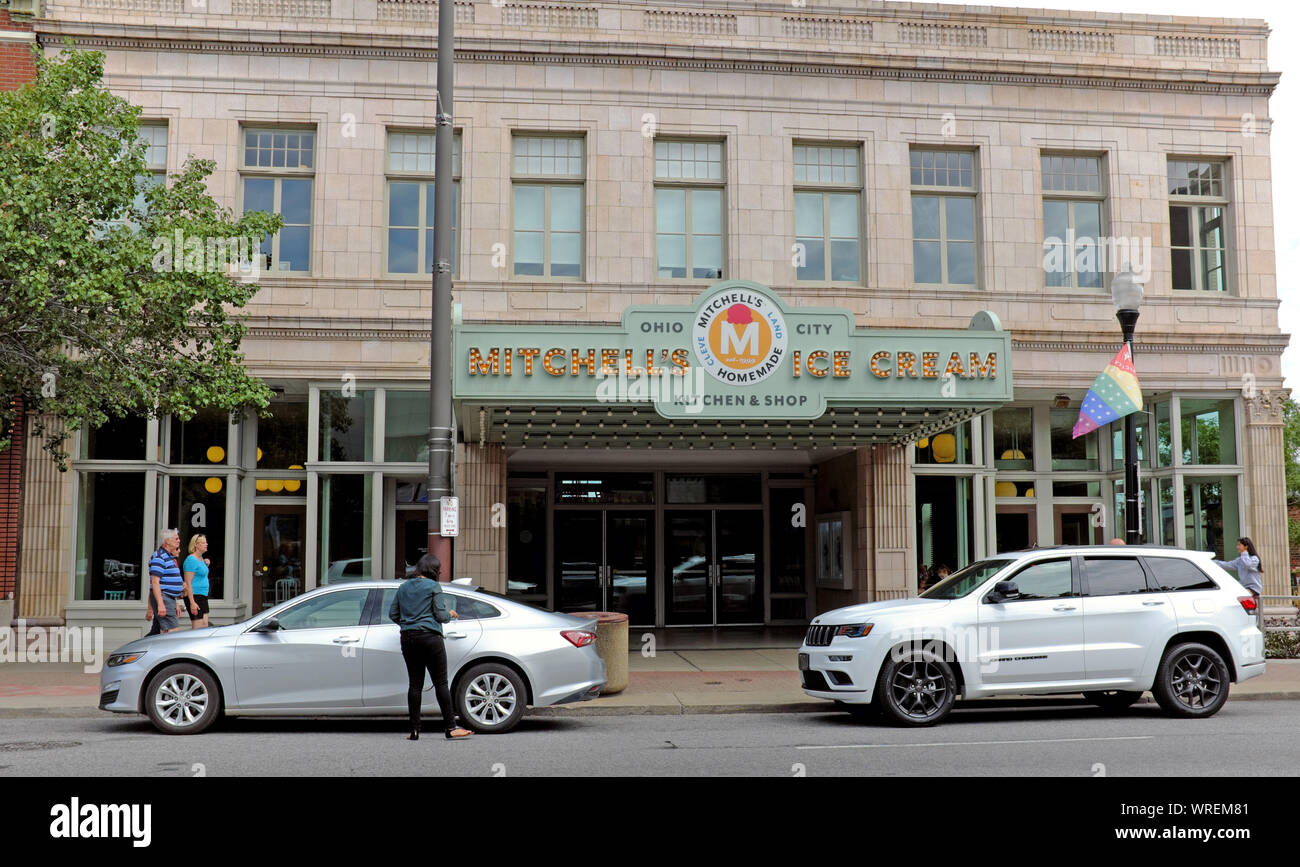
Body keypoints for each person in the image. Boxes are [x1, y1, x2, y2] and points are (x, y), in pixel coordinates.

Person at [388, 553, 473, 741]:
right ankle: (451, 728)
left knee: (415, 684)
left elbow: (393, 613)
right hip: (430, 638)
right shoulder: (433, 586)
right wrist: (451, 613)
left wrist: (408, 623)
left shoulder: (403, 587)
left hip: (408, 638)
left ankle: (414, 731)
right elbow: (441, 616)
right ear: (433, 570)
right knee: (441, 683)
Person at [146, 529, 186, 635]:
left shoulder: (169, 557)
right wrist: (160, 604)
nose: (179, 541)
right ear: (167, 541)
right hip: (164, 598)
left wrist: (175, 602)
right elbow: (155, 582)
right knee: (172, 632)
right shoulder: (159, 557)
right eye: (176, 539)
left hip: (169, 598)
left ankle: (144, 650)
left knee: (156, 632)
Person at [1214, 537, 1263, 601]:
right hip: (1243, 587)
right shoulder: (1240, 560)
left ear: (1246, 546)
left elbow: (1248, 564)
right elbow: (1227, 565)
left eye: (1239, 545)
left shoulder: (1254, 559)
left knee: (1237, 597)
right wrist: (1211, 561)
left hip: (1253, 588)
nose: (1237, 547)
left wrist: (1244, 553)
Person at [184, 534, 212, 629]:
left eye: (206, 542)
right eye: (203, 543)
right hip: (195, 595)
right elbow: (188, 582)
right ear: (196, 544)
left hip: (203, 595)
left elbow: (200, 574)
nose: (206, 544)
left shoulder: (201, 559)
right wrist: (192, 602)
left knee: (204, 625)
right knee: (198, 628)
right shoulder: (191, 560)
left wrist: (206, 564)